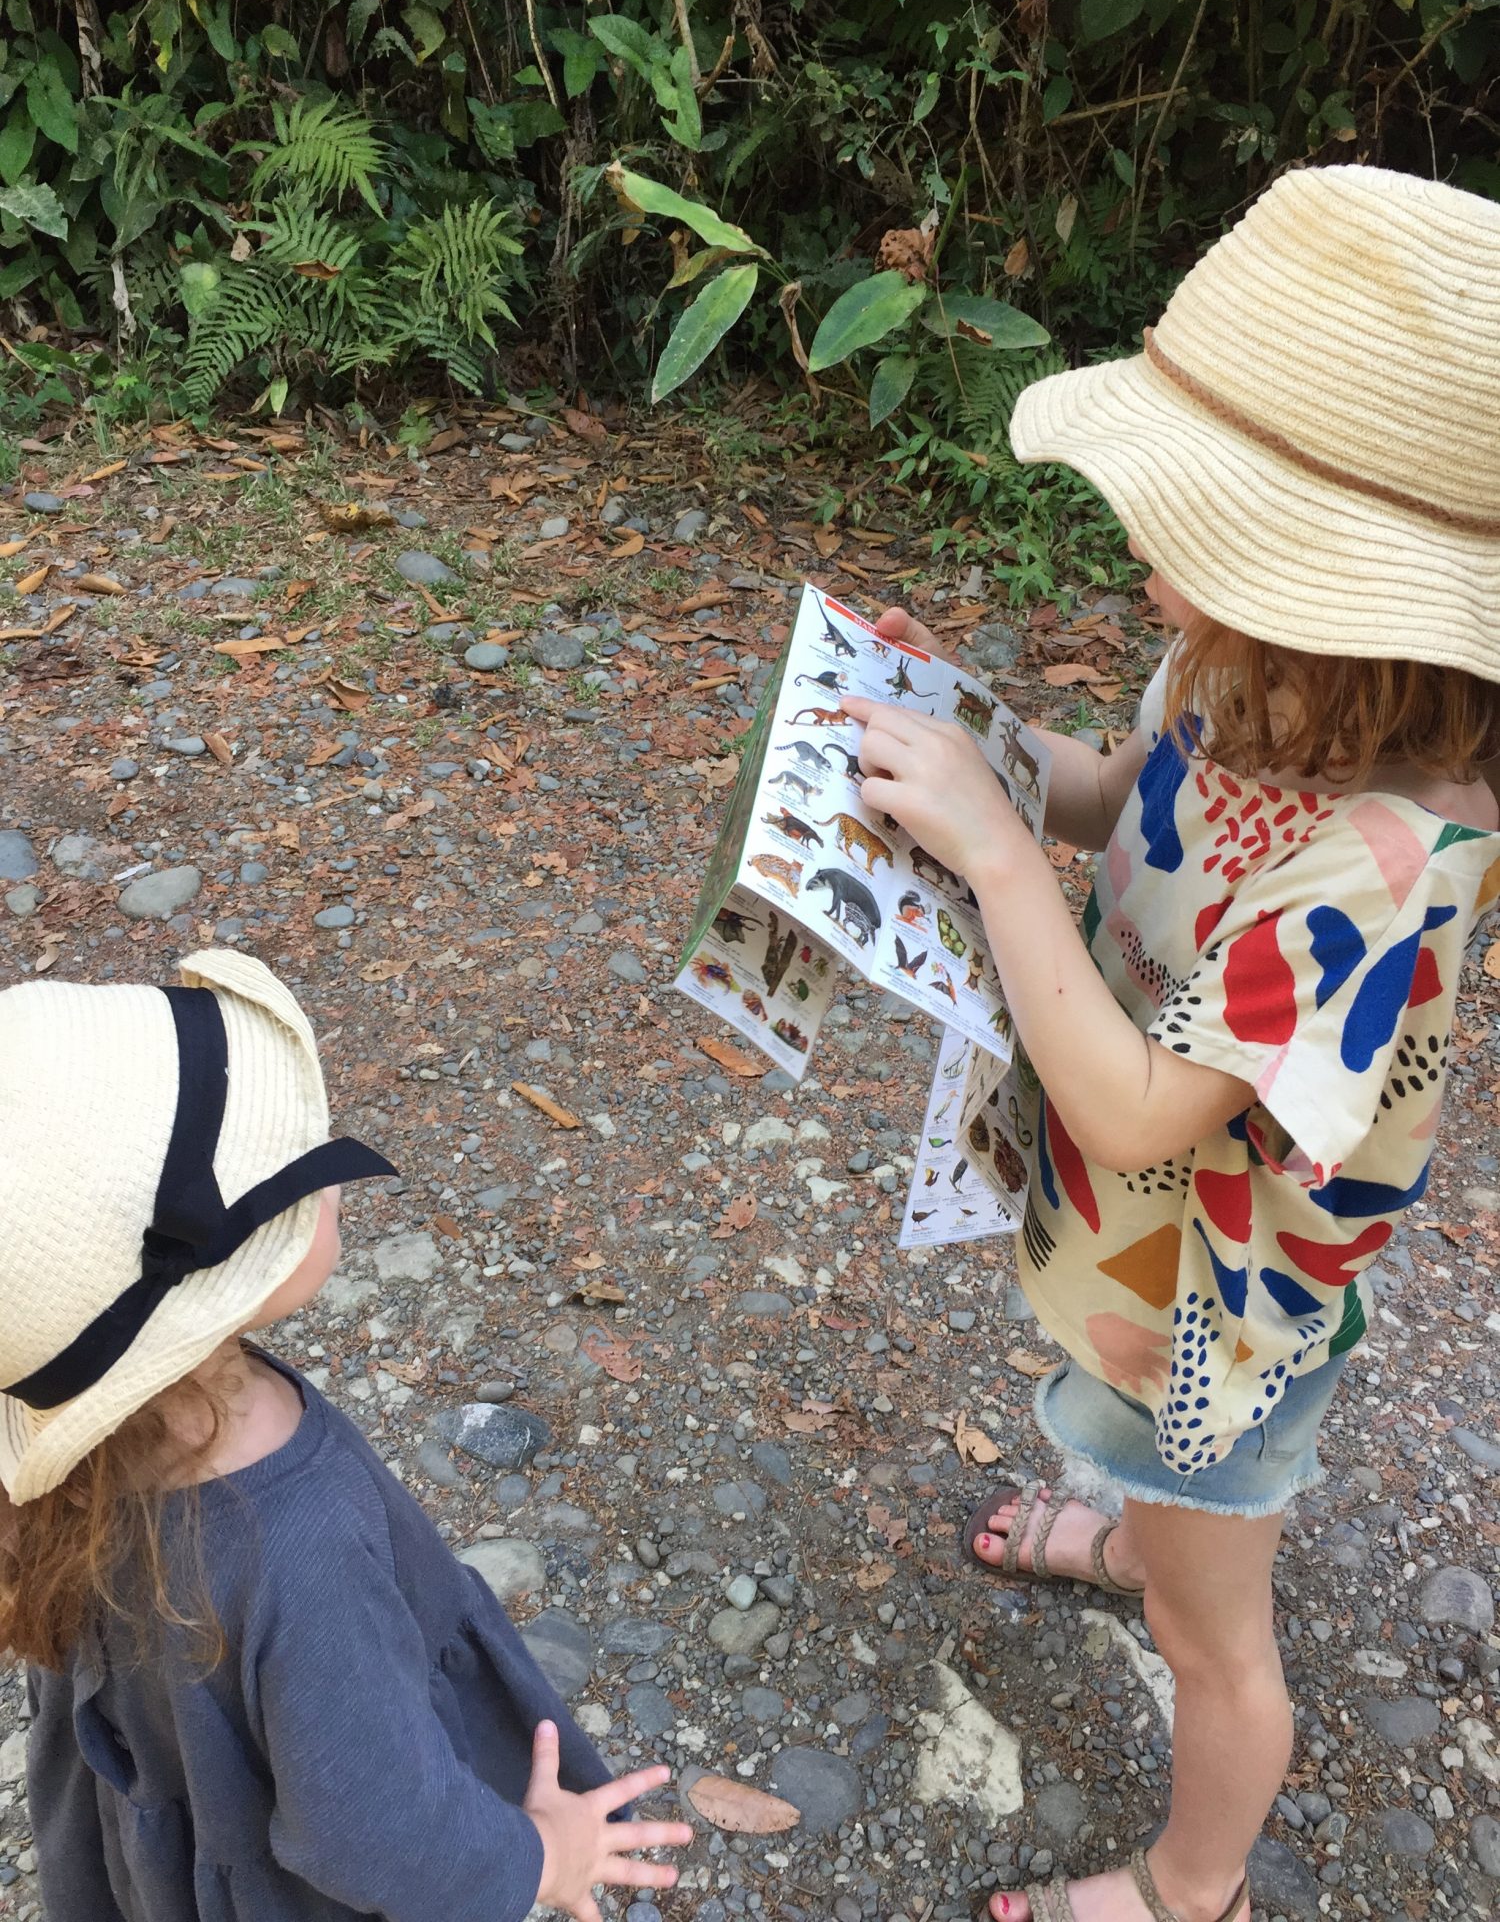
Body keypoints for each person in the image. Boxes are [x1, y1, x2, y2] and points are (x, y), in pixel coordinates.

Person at [842, 163, 1500, 1922]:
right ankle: (1135, 1533)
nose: (1140, 543)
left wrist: (987, 853)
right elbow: (1123, 798)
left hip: (1221, 1322)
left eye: (1187, 519)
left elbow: (1138, 1111)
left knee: (1223, 1648)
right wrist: (977, 741)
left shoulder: (1386, 869)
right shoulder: (1234, 680)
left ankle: (1186, 1883)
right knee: (1117, 1449)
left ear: (1331, 590)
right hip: (1141, 1279)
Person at [0, 948, 691, 1922]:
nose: (330, 1171)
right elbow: (376, 1829)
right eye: (295, 1169)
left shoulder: (81, 1450)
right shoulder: (299, 1541)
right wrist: (542, 1851)